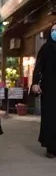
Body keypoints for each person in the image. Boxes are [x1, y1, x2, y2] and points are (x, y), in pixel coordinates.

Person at [31, 24, 56, 158]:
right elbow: (38, 67)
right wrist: (35, 83)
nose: (54, 32)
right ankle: (51, 148)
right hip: (49, 89)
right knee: (50, 118)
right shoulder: (45, 48)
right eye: (53, 30)